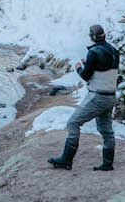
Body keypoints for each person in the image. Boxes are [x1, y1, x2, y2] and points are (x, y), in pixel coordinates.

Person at [48, 24, 119, 171]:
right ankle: (107, 164)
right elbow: (104, 69)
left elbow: (86, 76)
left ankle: (66, 160)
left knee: (73, 123)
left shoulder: (93, 52)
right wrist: (90, 66)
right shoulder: (113, 50)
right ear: (104, 36)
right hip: (111, 96)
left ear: (92, 37)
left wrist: (79, 67)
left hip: (98, 96)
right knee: (106, 130)